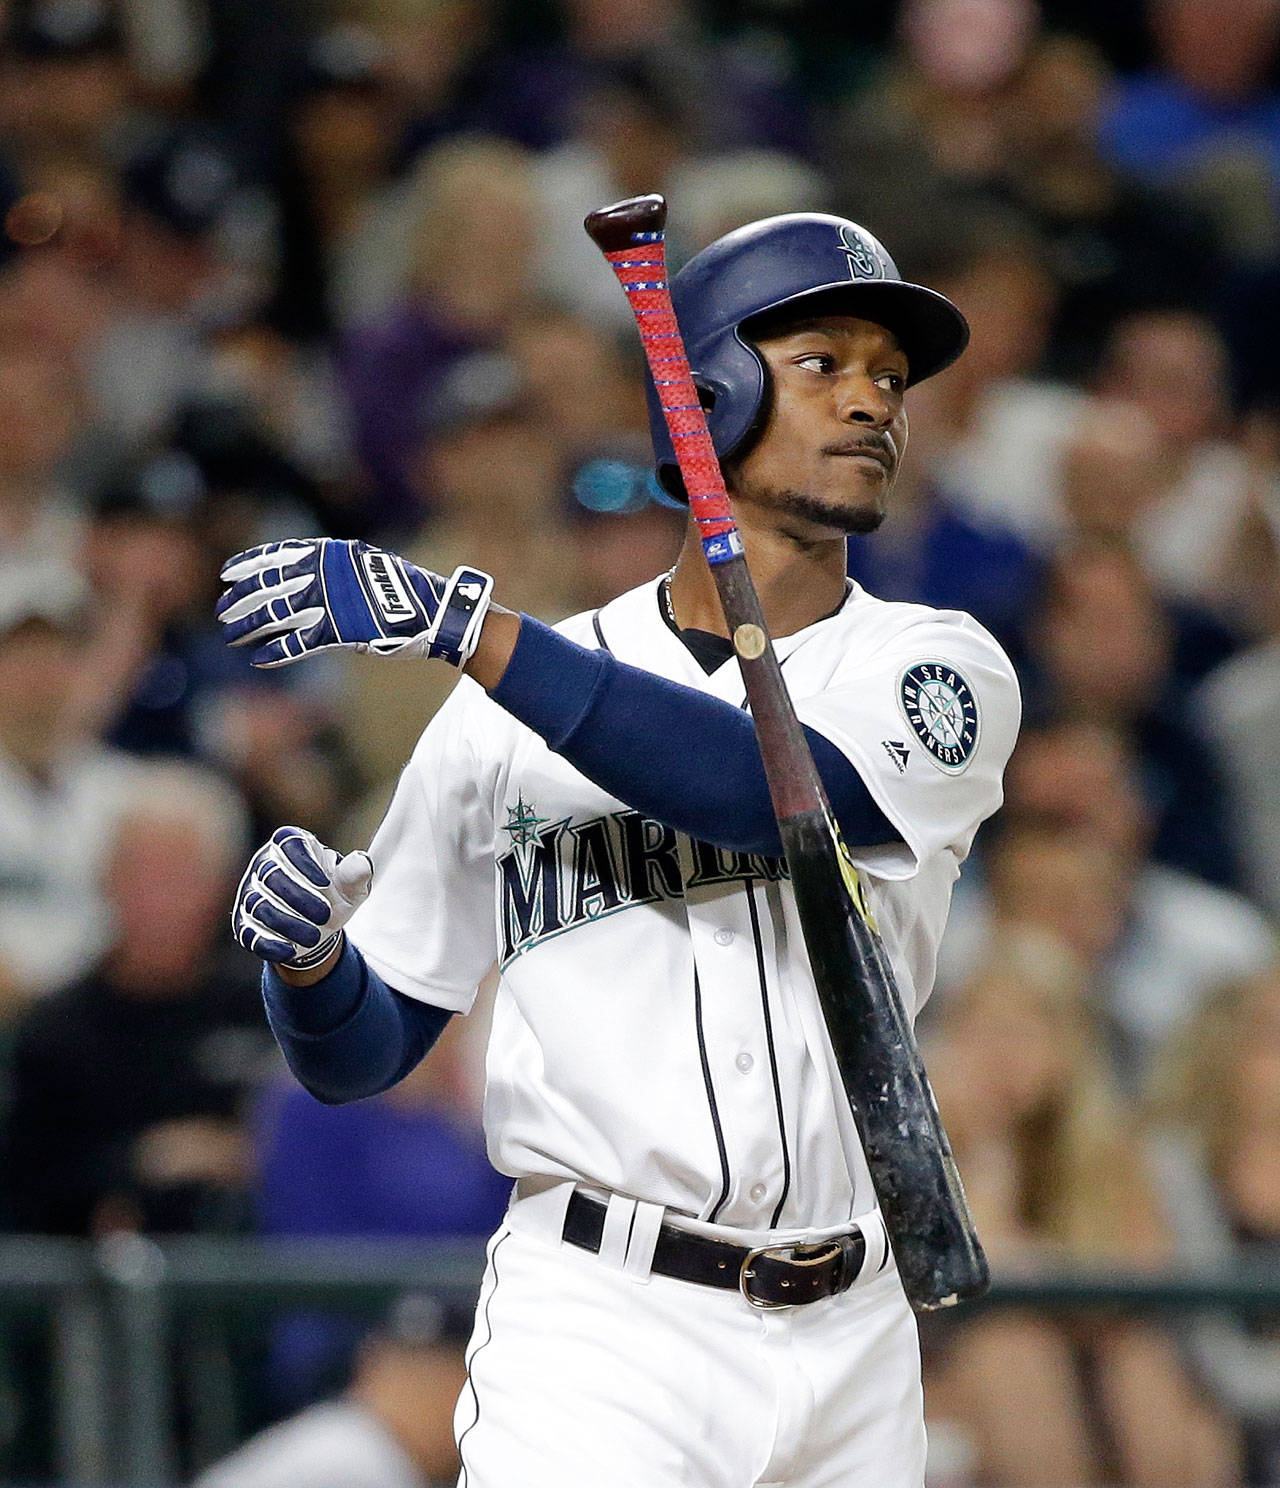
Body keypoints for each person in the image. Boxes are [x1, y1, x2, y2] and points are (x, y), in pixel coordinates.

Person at [216, 213, 1021, 1486]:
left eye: (888, 377)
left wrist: (473, 634)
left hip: (857, 1323)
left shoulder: (932, 666)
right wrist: (308, 966)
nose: (872, 403)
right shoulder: (505, 711)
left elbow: (769, 791)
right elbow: (367, 1052)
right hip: (604, 1319)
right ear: (707, 394)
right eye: (824, 364)